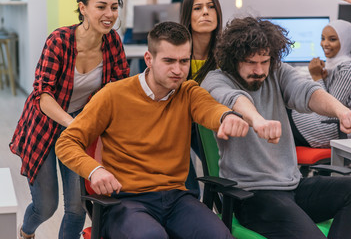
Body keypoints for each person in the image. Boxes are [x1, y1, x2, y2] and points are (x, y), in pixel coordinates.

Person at [55, 21, 248, 239]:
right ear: (149, 59)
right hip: (126, 201)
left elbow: (210, 109)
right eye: (169, 61)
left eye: (184, 61)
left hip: (176, 199)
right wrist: (94, 170)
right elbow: (66, 142)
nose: (178, 70)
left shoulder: (188, 92)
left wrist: (227, 116)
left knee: (218, 235)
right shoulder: (113, 95)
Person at [201, 17, 351, 239]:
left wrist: (342, 111)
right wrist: (257, 121)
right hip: (252, 196)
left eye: (264, 61)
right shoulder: (215, 79)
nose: (259, 70)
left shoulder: (277, 72)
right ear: (233, 58)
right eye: (250, 62)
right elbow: (233, 99)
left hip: (293, 186)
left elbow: (307, 91)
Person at [9, 0, 129, 238]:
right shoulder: (59, 41)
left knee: (76, 208)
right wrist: (76, 125)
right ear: (83, 8)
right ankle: (26, 231)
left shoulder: (113, 41)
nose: (109, 14)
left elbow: (121, 87)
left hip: (80, 126)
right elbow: (43, 95)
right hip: (45, 124)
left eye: (114, 7)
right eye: (101, 6)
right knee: (45, 206)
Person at [289, 20, 351, 148]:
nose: (324, 44)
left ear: (345, 41)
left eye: (332, 39)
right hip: (318, 122)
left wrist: (316, 76)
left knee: (279, 115)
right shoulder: (333, 64)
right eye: (323, 38)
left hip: (329, 127)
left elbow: (331, 107)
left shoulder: (347, 67)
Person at [180, 0, 222, 194]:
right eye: (198, 8)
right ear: (188, 15)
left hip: (216, 124)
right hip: (180, 125)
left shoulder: (227, 55)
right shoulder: (177, 54)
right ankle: (188, 198)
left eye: (211, 6)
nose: (206, 12)